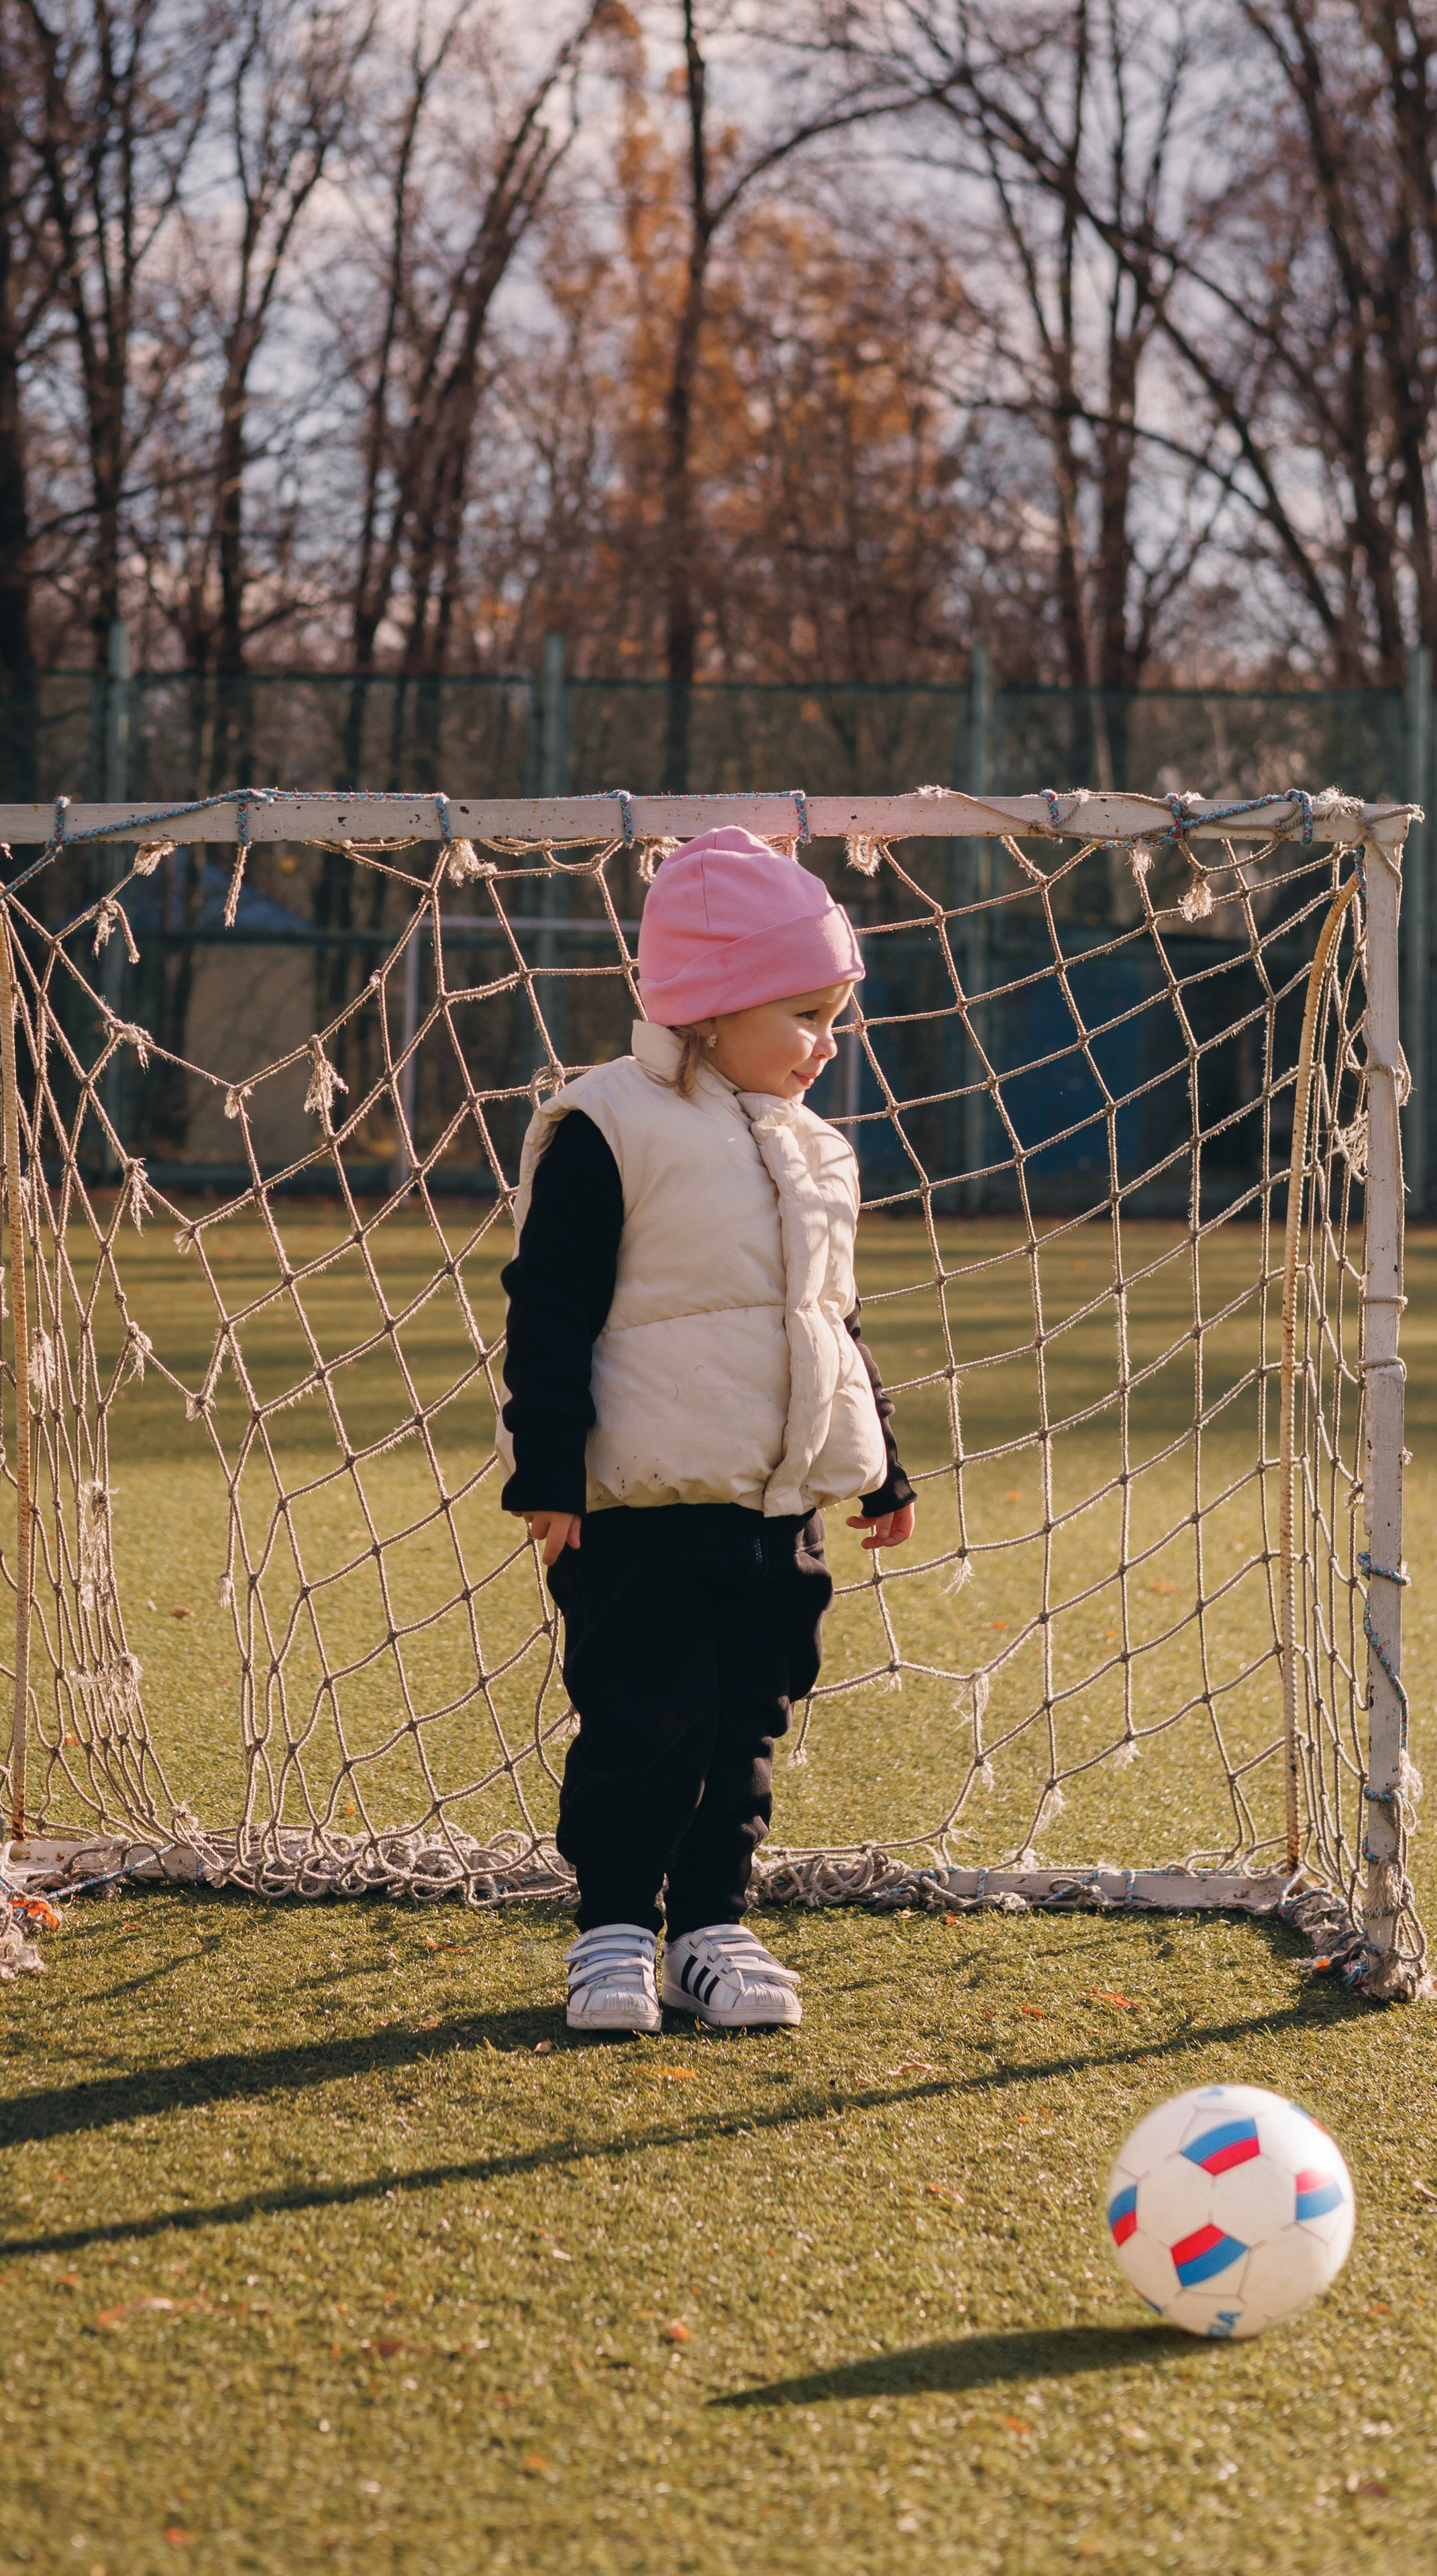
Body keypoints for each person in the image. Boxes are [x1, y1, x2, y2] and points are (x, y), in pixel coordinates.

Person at [496, 826, 916, 2035]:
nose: (826, 1043)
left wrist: (878, 1459)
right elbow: (552, 1307)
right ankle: (616, 1928)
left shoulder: (815, 1150)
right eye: (805, 1014)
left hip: (772, 1509)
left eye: (835, 1014)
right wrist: (551, 1471)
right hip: (638, 1506)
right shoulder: (607, 1127)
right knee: (646, 1716)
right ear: (715, 1006)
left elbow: (828, 1319)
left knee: (744, 1724)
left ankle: (713, 1926)